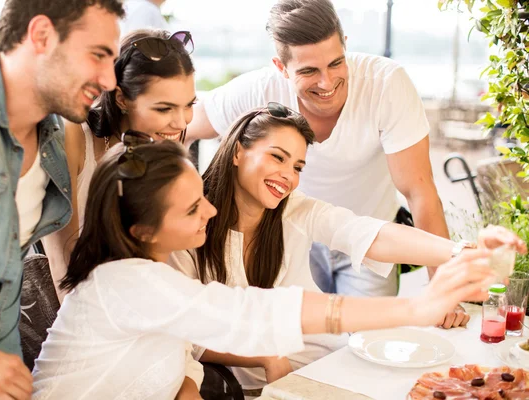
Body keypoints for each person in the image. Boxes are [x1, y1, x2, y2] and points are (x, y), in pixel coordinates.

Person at [32, 136, 499, 400]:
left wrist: (462, 254)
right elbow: (255, 314)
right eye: (193, 209)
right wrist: (415, 308)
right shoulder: (126, 282)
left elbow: (179, 361)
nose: (210, 213)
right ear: (143, 231)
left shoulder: (151, 272)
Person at [170, 103, 528, 393]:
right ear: (237, 152)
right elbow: (188, 335)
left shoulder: (293, 207)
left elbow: (367, 233)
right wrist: (265, 356)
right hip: (263, 383)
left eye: (297, 166)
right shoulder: (189, 224)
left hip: (333, 364)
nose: (288, 176)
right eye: (277, 157)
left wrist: (461, 253)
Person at [185, 0, 460, 324]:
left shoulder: (386, 84)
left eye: (336, 63)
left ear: (345, 45)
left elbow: (420, 191)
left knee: (369, 343)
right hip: (291, 238)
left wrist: (445, 290)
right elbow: (180, 125)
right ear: (281, 67)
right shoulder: (257, 89)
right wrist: (185, 197)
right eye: (308, 71)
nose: (327, 83)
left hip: (369, 237)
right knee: (300, 343)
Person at [0, 0, 125, 399]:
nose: (109, 79)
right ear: (41, 35)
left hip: (1, 376)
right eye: (98, 56)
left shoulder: (55, 138)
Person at [42, 28, 197, 300]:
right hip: (73, 310)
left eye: (188, 105)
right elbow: (63, 261)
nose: (181, 122)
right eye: (164, 108)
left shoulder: (163, 153)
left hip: (137, 304)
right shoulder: (74, 137)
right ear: (121, 98)